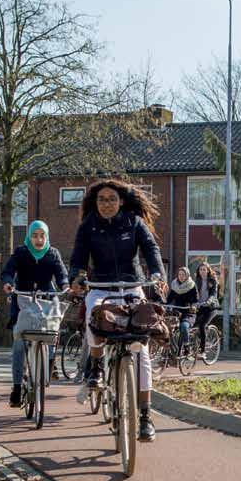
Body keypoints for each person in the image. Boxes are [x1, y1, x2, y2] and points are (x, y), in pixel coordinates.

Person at [69, 179, 165, 442]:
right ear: (95, 203)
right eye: (102, 199)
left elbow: (151, 249)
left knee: (142, 350)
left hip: (132, 287)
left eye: (112, 199)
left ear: (121, 201)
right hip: (100, 287)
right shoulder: (88, 225)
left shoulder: (134, 222)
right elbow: (78, 258)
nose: (107, 204)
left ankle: (145, 417)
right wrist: (76, 277)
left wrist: (157, 274)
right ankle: (97, 366)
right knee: (93, 318)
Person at [2, 220, 70, 407]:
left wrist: (65, 284)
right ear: (29, 236)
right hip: (23, 299)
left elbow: (61, 273)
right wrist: (8, 283)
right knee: (18, 344)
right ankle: (16, 388)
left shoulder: (53, 253)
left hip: (46, 299)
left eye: (42, 235)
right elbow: (8, 271)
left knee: (52, 332)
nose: (39, 239)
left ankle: (49, 363)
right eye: (35, 235)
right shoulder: (21, 252)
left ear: (46, 236)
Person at [166, 267, 199, 353]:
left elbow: (196, 300)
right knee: (168, 328)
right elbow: (169, 299)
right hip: (177, 312)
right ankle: (171, 350)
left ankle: (187, 346)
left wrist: (193, 306)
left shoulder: (192, 285)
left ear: (187, 275)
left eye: (183, 275)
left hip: (188, 312)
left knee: (184, 327)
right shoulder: (174, 285)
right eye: (179, 274)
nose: (181, 276)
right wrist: (164, 305)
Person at [191, 261, 219, 355]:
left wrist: (209, 301)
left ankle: (202, 351)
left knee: (202, 325)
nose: (202, 271)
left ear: (208, 271)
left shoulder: (212, 281)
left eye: (204, 269)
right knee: (191, 324)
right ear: (198, 271)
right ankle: (193, 344)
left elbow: (213, 294)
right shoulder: (197, 281)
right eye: (200, 269)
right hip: (200, 307)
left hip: (211, 308)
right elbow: (193, 295)